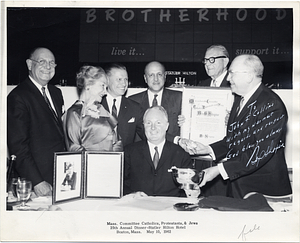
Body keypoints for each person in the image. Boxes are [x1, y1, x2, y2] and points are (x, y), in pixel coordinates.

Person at [192, 54, 292, 199]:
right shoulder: (240, 99)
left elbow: (258, 153)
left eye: (232, 73)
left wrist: (219, 170)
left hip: (262, 191)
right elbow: (235, 140)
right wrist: (208, 149)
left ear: (249, 76)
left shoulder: (272, 105)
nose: (227, 78)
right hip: (239, 186)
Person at [7, 47, 66, 196]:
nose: (48, 66)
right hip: (37, 182)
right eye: (42, 61)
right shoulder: (18, 97)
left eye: (52, 63)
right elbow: (18, 146)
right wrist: (36, 181)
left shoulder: (56, 92)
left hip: (60, 177)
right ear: (29, 64)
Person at [124, 106, 193, 197]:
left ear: (167, 126)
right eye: (148, 123)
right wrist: (132, 194)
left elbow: (190, 188)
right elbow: (119, 183)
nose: (153, 128)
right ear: (143, 125)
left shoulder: (181, 154)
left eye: (158, 123)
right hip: (138, 207)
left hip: (170, 208)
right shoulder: (130, 152)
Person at [64, 65, 122, 152]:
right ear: (88, 85)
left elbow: (117, 141)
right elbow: (74, 147)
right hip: (88, 164)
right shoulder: (74, 113)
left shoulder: (102, 110)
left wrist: (113, 161)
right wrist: (96, 162)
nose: (105, 92)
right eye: (102, 85)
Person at [129, 61, 182, 142]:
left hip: (171, 151)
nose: (156, 79)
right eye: (151, 75)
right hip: (142, 152)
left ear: (165, 76)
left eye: (159, 74)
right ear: (145, 78)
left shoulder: (179, 98)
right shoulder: (132, 101)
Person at [101, 63, 145, 147]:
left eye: (126, 79)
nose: (124, 84)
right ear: (107, 80)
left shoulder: (135, 108)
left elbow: (148, 134)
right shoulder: (96, 105)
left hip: (126, 159)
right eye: (119, 79)